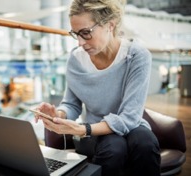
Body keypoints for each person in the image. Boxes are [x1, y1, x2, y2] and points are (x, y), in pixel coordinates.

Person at [33, 0, 161, 175]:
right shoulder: (76, 59)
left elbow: (130, 118)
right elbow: (71, 105)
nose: (79, 42)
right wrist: (57, 114)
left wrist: (82, 129)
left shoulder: (137, 56)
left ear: (110, 25)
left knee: (145, 142)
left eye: (85, 33)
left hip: (121, 127)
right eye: (75, 34)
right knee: (114, 146)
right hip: (92, 135)